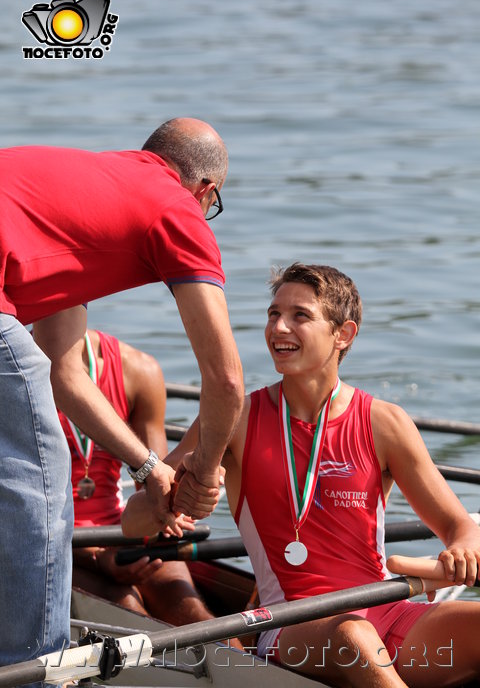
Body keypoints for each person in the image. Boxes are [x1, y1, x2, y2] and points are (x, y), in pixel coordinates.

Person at [125, 263, 480, 687]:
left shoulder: (385, 423)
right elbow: (133, 521)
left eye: (300, 316)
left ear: (343, 334)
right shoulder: (234, 420)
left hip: (385, 606)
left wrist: (462, 551)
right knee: (353, 635)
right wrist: (173, 502)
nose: (279, 327)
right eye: (274, 314)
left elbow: (460, 527)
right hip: (288, 623)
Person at [0, 118, 244, 677]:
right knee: (42, 475)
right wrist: (204, 474)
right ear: (205, 191)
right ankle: (32, 668)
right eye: (213, 209)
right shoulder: (175, 206)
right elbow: (227, 380)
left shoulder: (77, 201)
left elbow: (66, 371)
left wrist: (151, 469)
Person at [64, 328, 225, 627]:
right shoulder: (14, 371)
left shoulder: (138, 370)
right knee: (126, 606)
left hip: (121, 533)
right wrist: (96, 558)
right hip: (52, 540)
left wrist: (193, 484)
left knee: (195, 616)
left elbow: (158, 496)